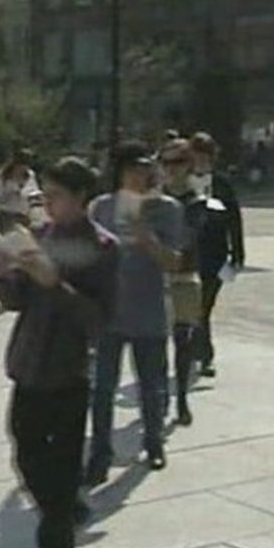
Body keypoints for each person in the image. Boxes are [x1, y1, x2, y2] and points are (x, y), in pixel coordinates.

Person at [0, 157, 118, 548]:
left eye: (56, 196)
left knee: (61, 469)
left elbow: (99, 321)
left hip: (69, 372)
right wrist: (3, 273)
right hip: (28, 364)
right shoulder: (40, 236)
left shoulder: (103, 248)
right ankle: (64, 510)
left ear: (81, 197)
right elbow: (15, 301)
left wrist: (56, 284)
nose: (47, 203)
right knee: (24, 450)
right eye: (44, 195)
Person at [86, 141, 183, 483]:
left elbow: (175, 262)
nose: (139, 176)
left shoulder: (168, 209)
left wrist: (148, 240)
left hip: (150, 310)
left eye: (145, 169)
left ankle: (154, 443)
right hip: (109, 311)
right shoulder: (101, 208)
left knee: (152, 384)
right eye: (131, 170)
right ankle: (99, 453)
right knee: (102, 388)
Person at [188, 132, 244, 378]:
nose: (200, 160)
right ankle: (197, 353)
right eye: (196, 154)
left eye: (205, 155)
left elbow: (234, 218)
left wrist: (238, 252)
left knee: (204, 307)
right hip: (189, 252)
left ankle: (202, 355)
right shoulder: (183, 181)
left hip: (215, 252)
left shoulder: (221, 183)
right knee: (192, 308)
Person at [159, 138, 207, 426]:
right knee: (154, 342)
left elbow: (188, 235)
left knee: (183, 340)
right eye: (166, 163)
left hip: (184, 275)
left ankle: (181, 398)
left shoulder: (196, 199)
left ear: (189, 165)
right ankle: (160, 396)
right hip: (155, 277)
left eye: (177, 162)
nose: (171, 169)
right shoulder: (155, 197)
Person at [0, 149, 41, 233]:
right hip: (7, 213)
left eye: (27, 165)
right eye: (22, 164)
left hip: (23, 213)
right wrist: (12, 191)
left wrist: (35, 196)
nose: (24, 168)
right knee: (9, 240)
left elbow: (34, 190)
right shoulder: (4, 176)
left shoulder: (30, 175)